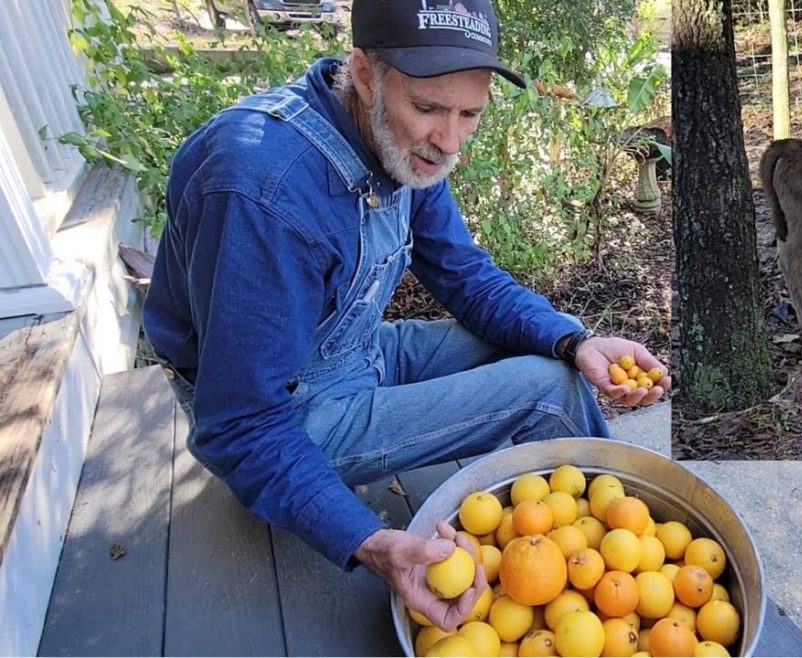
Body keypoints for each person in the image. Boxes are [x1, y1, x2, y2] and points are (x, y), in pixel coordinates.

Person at [142, 0, 671, 632]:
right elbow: (240, 423)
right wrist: (368, 541)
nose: (449, 140)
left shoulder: (400, 143)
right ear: (365, 74)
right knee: (548, 391)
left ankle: (587, 557)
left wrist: (572, 339)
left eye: (469, 114)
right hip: (287, 413)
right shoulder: (263, 192)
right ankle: (623, 576)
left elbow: (464, 275)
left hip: (355, 348)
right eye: (428, 109)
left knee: (552, 358)